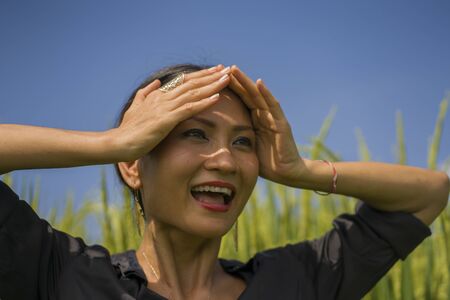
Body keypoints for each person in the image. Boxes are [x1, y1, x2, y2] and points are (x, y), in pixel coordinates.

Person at [0, 63, 448, 300]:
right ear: (134, 165)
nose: (226, 160)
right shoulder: (63, 276)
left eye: (243, 142)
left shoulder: (295, 282)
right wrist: (113, 142)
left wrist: (301, 171)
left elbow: (428, 193)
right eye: (195, 134)